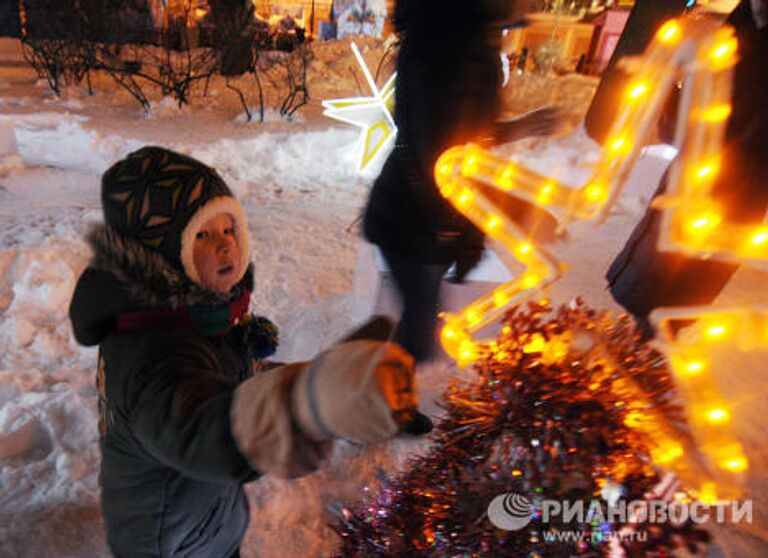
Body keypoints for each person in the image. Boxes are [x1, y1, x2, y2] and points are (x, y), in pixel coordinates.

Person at [69, 146, 425, 557]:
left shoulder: (196, 314)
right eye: (201, 234)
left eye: (229, 228)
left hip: (204, 515)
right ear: (159, 254)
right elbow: (204, 427)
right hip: (170, 539)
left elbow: (233, 379)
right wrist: (310, 403)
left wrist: (345, 390)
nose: (225, 246)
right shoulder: (153, 354)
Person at [363, 0, 560, 363]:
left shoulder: (460, 30)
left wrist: (517, 128)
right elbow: (441, 156)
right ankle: (358, 398)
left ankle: (372, 394)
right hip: (416, 216)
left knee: (418, 330)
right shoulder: (455, 39)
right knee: (419, 339)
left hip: (422, 215)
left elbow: (456, 134)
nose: (537, 3)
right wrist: (517, 211)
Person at [606, 0, 768, 339]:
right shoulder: (738, 27)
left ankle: (644, 354)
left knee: (673, 295)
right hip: (704, 176)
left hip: (733, 187)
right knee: (657, 289)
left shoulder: (742, 32)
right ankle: (639, 347)